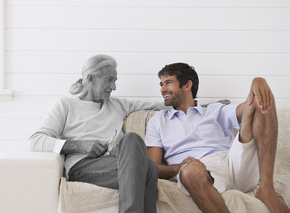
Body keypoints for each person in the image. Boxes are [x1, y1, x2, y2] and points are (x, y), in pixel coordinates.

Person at [145, 63, 290, 213]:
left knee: (262, 100)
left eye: (168, 82)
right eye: (161, 84)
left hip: (234, 163)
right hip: (199, 171)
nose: (162, 89)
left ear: (187, 85)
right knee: (191, 171)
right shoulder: (158, 120)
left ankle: (267, 189)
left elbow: (250, 106)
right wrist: (179, 167)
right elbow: (152, 167)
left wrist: (258, 81)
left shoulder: (216, 110)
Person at [29, 54, 166, 213]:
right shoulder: (66, 105)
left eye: (115, 81)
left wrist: (194, 104)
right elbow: (36, 140)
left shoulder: (118, 104)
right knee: (148, 168)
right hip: (82, 165)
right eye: (109, 80)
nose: (114, 87)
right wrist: (80, 146)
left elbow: (159, 105)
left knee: (134, 142)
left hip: (117, 161)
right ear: (90, 78)